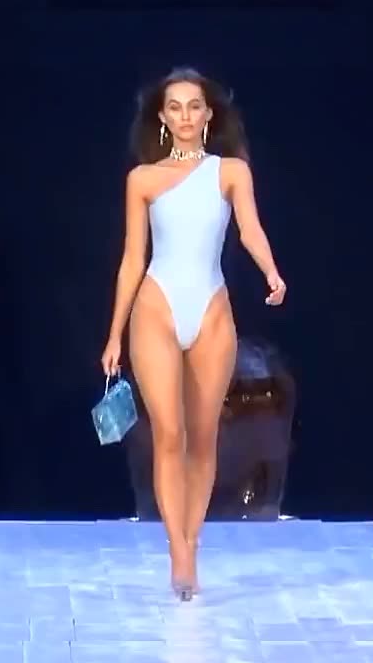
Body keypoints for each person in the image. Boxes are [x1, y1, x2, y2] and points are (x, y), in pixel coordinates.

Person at [101, 66, 287, 601]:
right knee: (169, 434)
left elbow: (250, 230)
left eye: (194, 106)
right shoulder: (142, 179)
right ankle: (179, 556)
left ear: (208, 114)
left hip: (211, 311)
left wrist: (272, 272)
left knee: (204, 437)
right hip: (156, 308)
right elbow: (132, 259)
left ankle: (192, 543)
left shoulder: (231, 172)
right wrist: (114, 334)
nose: (185, 115)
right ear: (162, 117)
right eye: (175, 107)